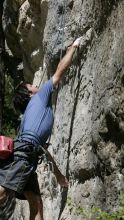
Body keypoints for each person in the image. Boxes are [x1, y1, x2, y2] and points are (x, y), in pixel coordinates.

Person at [0, 37, 81, 220]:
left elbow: (42, 150)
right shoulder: (40, 96)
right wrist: (74, 47)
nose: (35, 85)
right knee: (3, 192)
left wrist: (59, 176)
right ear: (29, 94)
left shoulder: (27, 117)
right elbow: (60, 70)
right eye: (31, 85)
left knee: (36, 202)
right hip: (25, 155)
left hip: (28, 155)